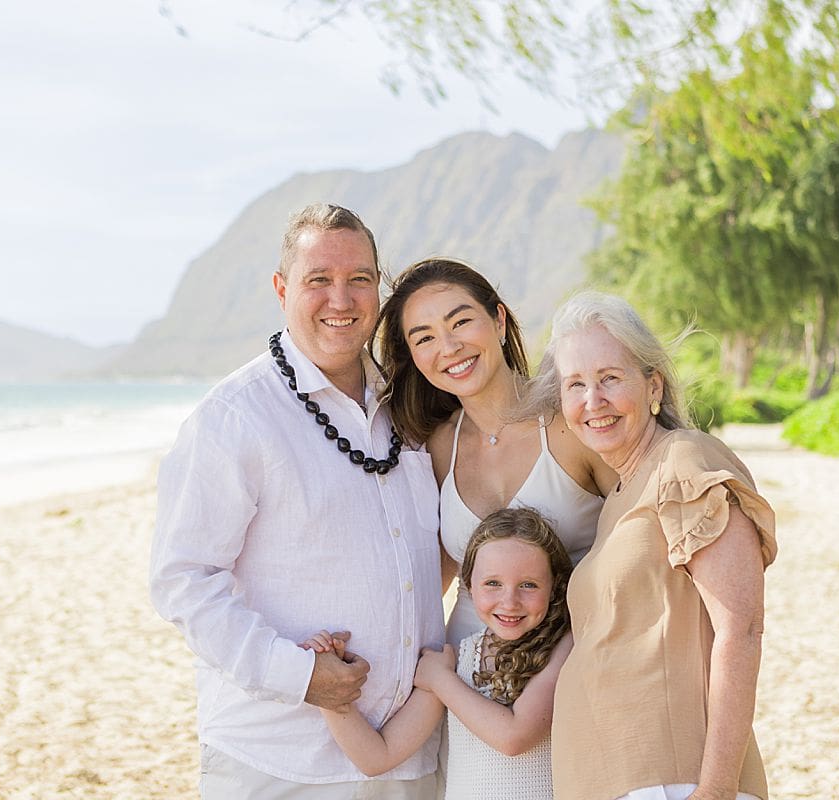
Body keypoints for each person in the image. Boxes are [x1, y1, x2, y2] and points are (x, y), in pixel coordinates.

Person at [150, 203, 445, 799]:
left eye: (359, 279)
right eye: (319, 280)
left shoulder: (413, 407)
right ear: (283, 289)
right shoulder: (233, 417)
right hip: (279, 760)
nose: (341, 299)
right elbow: (184, 580)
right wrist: (302, 676)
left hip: (409, 754)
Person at [533, 292, 777, 800]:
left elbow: (742, 629)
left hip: (672, 779)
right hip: (615, 777)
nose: (592, 401)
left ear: (654, 386)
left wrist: (714, 790)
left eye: (610, 378)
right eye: (575, 384)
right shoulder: (622, 490)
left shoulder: (684, 462)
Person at [375, 258, 614, 644]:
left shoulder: (569, 422)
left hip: (577, 664)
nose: (449, 347)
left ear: (499, 321)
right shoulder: (436, 447)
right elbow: (426, 581)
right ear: (414, 358)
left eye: (461, 322)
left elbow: (645, 539)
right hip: (466, 677)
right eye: (424, 338)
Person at [299, 507, 574, 800]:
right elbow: (377, 757)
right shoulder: (458, 660)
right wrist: (330, 691)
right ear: (468, 585)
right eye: (493, 583)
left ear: (554, 588)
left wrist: (442, 682)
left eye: (528, 585)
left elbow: (513, 738)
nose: (510, 601)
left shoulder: (562, 647)